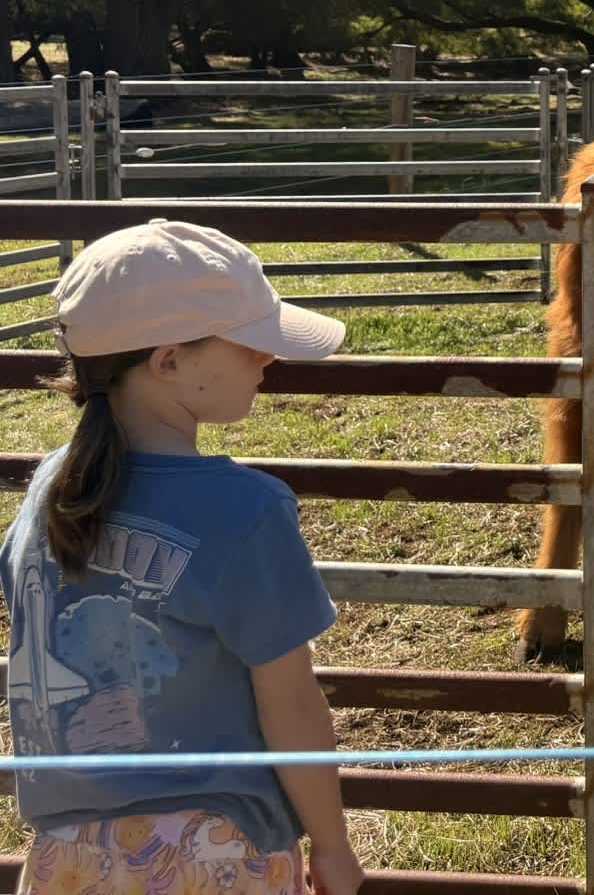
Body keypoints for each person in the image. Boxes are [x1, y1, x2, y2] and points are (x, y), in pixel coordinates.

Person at [1, 220, 363, 895]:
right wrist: (334, 846)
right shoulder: (246, 509)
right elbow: (292, 705)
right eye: (251, 344)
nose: (268, 360)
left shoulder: (49, 489)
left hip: (65, 858)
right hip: (212, 855)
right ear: (168, 362)